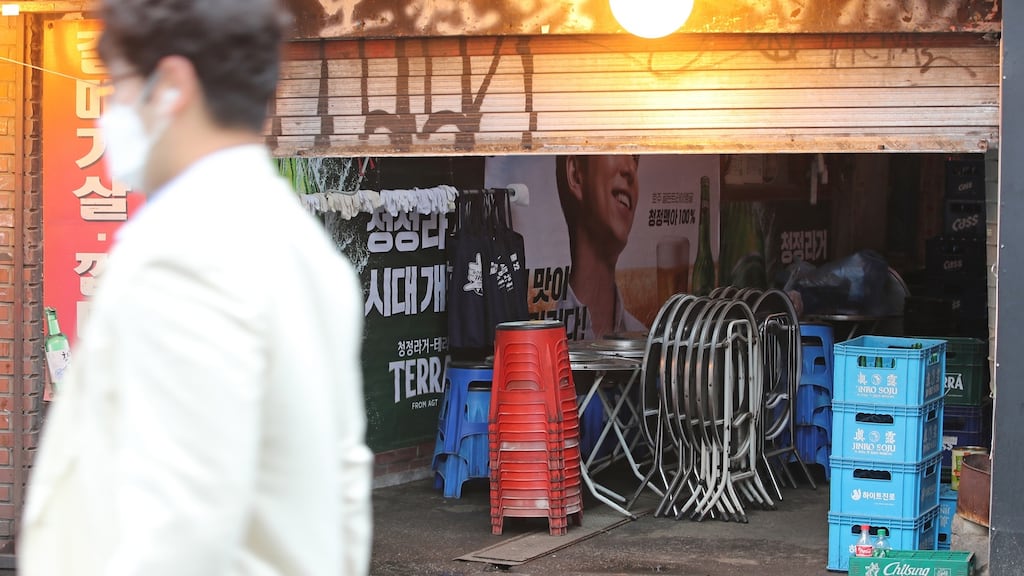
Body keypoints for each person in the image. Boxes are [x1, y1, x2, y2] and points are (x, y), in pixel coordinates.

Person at [19, 1, 373, 575]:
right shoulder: (304, 248)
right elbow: (345, 487)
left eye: (122, 86)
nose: (112, 111)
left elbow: (180, 529)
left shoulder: (183, 250)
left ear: (171, 86)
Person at [555, 154, 647, 340]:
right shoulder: (544, 334)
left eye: (635, 157)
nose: (630, 170)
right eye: (616, 148)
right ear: (576, 174)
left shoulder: (642, 339)